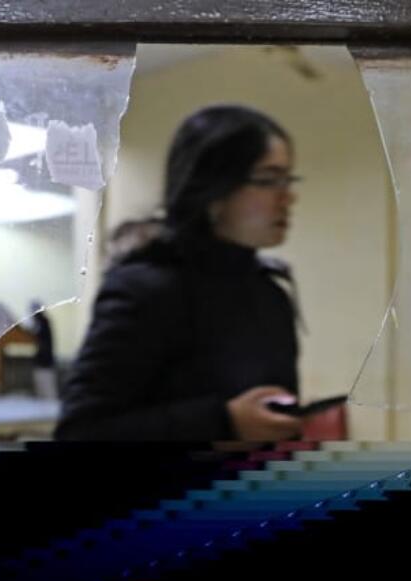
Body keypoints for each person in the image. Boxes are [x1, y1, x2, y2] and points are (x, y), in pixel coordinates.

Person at [55, 104, 304, 441]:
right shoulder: (145, 289)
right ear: (213, 191)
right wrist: (222, 421)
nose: (288, 197)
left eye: (287, 179)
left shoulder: (271, 294)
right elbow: (80, 434)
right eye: (268, 180)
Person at [27, 300, 58, 400]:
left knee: (48, 392)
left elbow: (38, 336)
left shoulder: (43, 321)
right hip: (41, 360)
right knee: (41, 392)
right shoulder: (40, 322)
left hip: (45, 361)